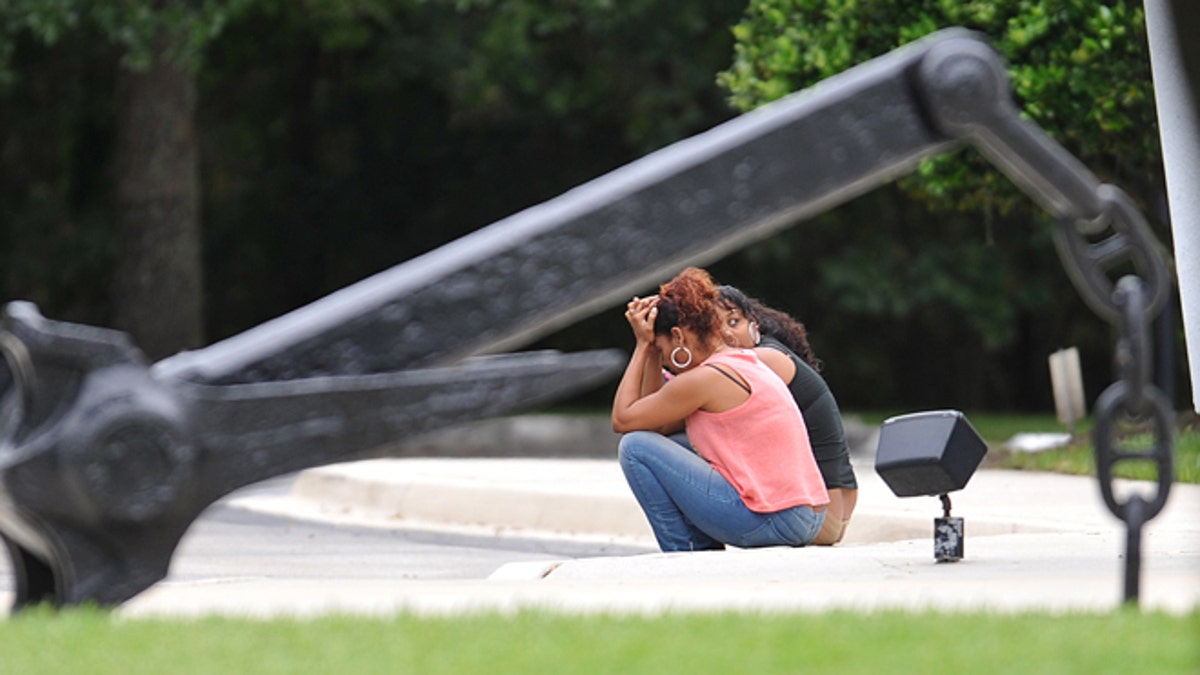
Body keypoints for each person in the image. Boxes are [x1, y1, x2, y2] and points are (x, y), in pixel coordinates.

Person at [611, 267, 829, 552]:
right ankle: (698, 548)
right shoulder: (739, 360)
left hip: (777, 520)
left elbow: (624, 419)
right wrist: (653, 350)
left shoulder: (706, 378)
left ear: (678, 336)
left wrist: (641, 346)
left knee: (635, 447)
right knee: (670, 443)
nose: (666, 361)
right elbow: (657, 427)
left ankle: (687, 554)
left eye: (664, 353)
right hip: (807, 516)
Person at [717, 285, 858, 545]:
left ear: (753, 324)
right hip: (828, 508)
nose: (725, 333)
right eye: (711, 328)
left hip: (821, 514)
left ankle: (692, 548)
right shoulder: (769, 353)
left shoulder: (762, 360)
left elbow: (643, 417)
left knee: (670, 443)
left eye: (733, 321)